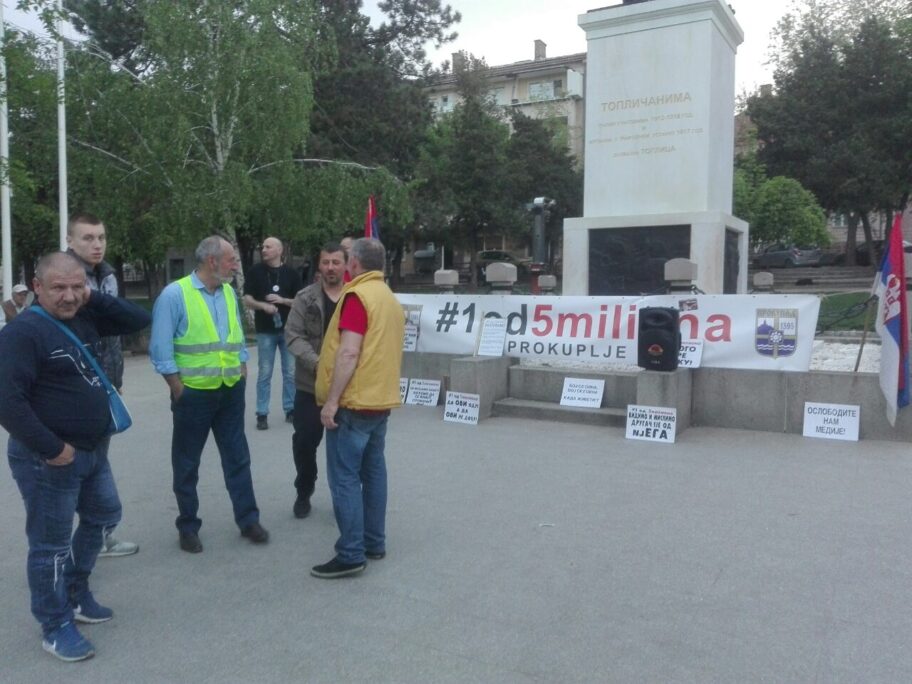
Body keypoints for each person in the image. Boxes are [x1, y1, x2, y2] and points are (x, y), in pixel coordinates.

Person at [0, 252, 151, 662]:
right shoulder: (23, 333)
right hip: (49, 458)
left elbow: (137, 320)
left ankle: (74, 589)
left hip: (93, 450)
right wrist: (54, 449)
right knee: (49, 546)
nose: (68, 296)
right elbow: (8, 404)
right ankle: (54, 624)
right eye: (58, 288)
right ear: (36, 287)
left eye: (76, 286)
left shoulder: (83, 315)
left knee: (104, 515)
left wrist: (92, 297)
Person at [150, 236, 269, 553]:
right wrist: (176, 386)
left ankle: (248, 520)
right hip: (193, 395)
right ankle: (188, 526)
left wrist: (242, 366)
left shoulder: (229, 292)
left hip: (230, 390)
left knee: (238, 458)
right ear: (213, 261)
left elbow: (236, 335)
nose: (235, 265)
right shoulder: (175, 294)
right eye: (231, 259)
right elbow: (160, 348)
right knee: (187, 463)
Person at [311, 238, 405, 579]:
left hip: (354, 402)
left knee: (344, 478)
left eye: (347, 259)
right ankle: (373, 541)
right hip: (380, 401)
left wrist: (332, 401)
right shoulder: (389, 299)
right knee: (374, 472)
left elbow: (349, 352)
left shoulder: (357, 297)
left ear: (354, 263)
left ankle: (351, 553)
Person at [66, 213, 139, 559]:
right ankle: (66, 544)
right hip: (74, 392)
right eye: (87, 238)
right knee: (74, 470)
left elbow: (118, 331)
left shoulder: (106, 275)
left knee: (97, 465)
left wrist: (114, 381)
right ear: (70, 241)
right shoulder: (63, 280)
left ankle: (99, 535)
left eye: (101, 237)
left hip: (105, 383)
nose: (96, 244)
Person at [284, 243, 346, 519]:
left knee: (345, 448)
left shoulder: (355, 297)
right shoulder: (305, 298)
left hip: (346, 388)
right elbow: (294, 336)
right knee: (305, 443)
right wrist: (319, 364)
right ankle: (304, 489)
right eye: (325, 263)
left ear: (346, 265)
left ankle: (345, 499)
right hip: (310, 386)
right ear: (319, 266)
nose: (330, 268)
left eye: (336, 262)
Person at [242, 237, 303, 430]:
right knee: (264, 373)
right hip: (265, 330)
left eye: (268, 247)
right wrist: (263, 306)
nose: (264, 249)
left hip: (288, 330)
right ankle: (262, 413)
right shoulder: (255, 272)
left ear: (279, 250)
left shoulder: (292, 274)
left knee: (290, 372)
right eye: (263, 246)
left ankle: (291, 409)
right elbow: (247, 299)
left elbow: (300, 302)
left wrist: (282, 300)